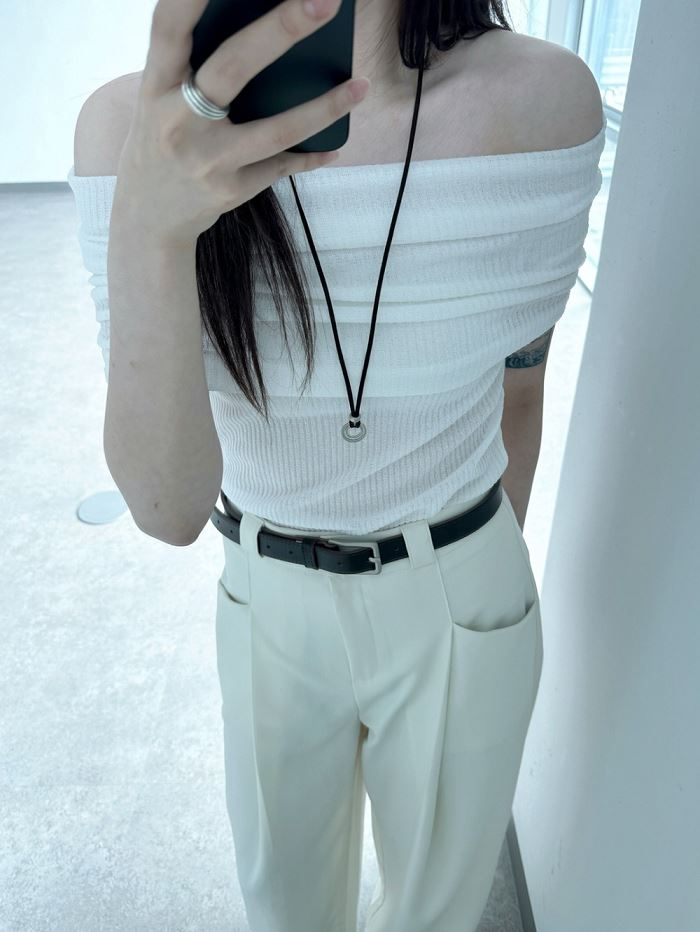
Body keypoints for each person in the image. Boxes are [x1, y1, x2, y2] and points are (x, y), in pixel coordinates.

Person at [68, 0, 606, 929]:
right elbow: (166, 506)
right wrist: (153, 227)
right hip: (266, 590)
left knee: (436, 914)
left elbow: (521, 389)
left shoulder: (541, 103)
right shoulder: (130, 130)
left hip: (462, 587)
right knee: (286, 911)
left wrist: (461, 593)